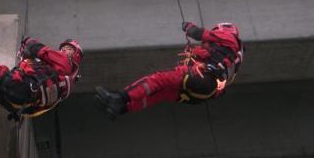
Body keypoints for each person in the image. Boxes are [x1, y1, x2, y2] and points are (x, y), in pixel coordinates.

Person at [94, 22, 243, 119]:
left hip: (201, 78)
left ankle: (119, 98)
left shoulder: (228, 37)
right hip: (201, 95)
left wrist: (188, 27)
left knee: (158, 79)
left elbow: (198, 33)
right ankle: (122, 108)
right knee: (160, 94)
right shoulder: (234, 59)